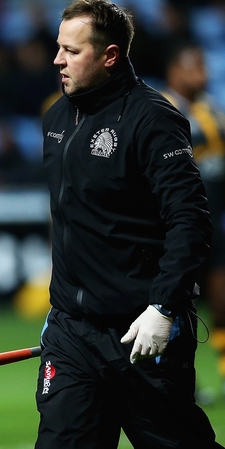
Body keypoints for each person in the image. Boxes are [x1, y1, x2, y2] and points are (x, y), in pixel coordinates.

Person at [39, 1, 222, 447]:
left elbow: (190, 218)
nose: (58, 60)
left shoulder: (153, 118)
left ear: (110, 56)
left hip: (140, 330)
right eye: (58, 48)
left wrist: (163, 306)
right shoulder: (56, 118)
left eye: (72, 51)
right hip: (70, 333)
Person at [161, 41, 225, 394]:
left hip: (216, 225)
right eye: (192, 67)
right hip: (177, 229)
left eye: (203, 67)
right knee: (181, 307)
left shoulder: (213, 112)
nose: (201, 75)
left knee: (221, 303)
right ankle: (185, 380)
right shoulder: (161, 110)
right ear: (174, 72)